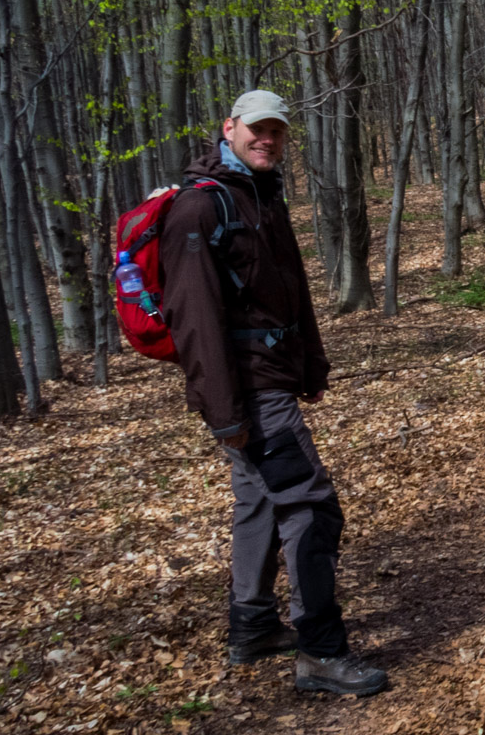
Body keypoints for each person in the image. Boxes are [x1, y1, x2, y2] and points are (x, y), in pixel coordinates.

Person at [161, 90, 388, 696]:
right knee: (310, 506)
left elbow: (289, 290)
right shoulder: (199, 211)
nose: (268, 139)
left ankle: (253, 627)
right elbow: (195, 321)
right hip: (248, 394)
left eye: (277, 132)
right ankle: (321, 651)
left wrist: (310, 365)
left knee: (259, 502)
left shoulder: (260, 195)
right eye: (257, 130)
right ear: (229, 128)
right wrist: (224, 413)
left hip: (273, 377)